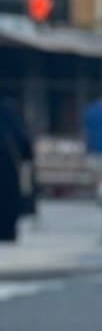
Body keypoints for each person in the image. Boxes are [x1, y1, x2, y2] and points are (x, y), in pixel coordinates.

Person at [0, 92, 32, 245]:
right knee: (9, 200)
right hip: (9, 166)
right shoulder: (10, 113)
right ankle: (8, 232)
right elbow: (23, 141)